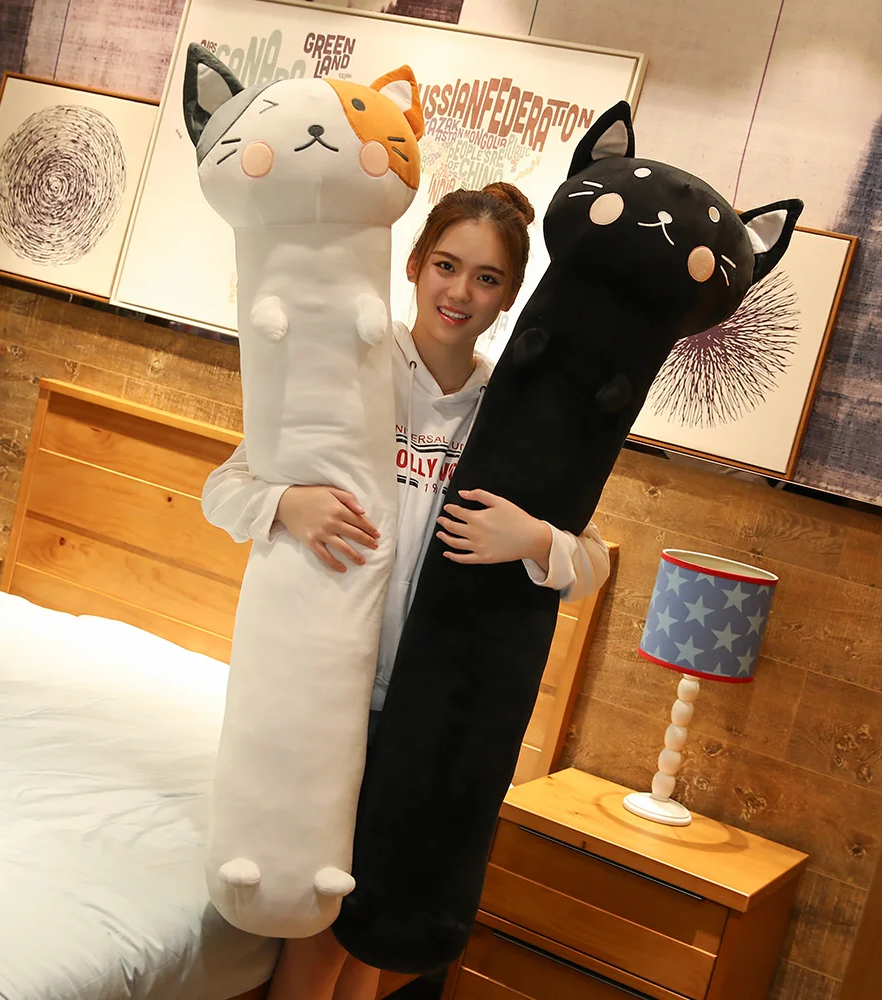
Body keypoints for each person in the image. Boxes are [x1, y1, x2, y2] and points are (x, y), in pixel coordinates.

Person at [201, 182, 611, 1000]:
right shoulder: (352, 368)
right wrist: (288, 504)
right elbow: (223, 488)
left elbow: (592, 562)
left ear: (510, 297)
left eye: (488, 279)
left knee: (374, 930)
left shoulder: (510, 408)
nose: (460, 293)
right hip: (328, 693)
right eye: (446, 266)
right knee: (326, 929)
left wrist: (537, 541)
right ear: (414, 265)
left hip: (430, 708)